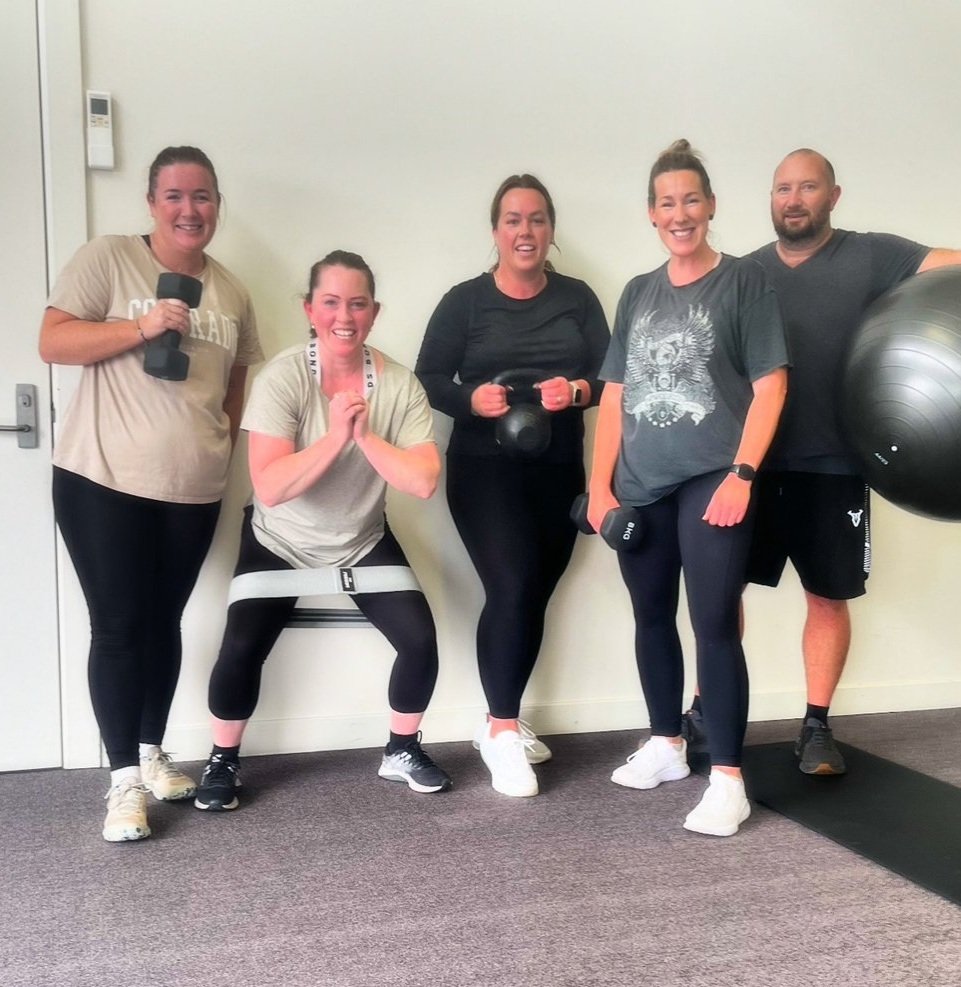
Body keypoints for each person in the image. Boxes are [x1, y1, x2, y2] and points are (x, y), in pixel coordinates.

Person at [683, 148, 961, 776]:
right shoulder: (746, 272)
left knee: (827, 599)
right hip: (750, 468)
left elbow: (950, 263)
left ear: (833, 196)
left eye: (808, 187)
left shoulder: (874, 255)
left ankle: (815, 727)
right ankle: (705, 709)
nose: (794, 199)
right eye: (783, 188)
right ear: (771, 198)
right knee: (719, 595)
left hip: (834, 467)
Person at [38, 146, 263, 842]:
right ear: (151, 203)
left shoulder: (232, 291)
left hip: (191, 488)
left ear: (217, 204)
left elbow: (236, 379)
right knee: (118, 626)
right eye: (174, 196)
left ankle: (150, 751)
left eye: (202, 196)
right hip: (100, 478)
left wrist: (219, 440)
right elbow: (53, 342)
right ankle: (122, 783)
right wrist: (141, 326)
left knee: (165, 621)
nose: (189, 209)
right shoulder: (109, 258)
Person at [194, 250, 451, 811]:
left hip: (361, 538)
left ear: (374, 312)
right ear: (310, 309)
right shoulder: (282, 376)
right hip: (279, 540)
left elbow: (424, 481)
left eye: (357, 304)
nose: (344, 316)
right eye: (331, 302)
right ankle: (222, 759)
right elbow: (270, 486)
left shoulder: (400, 384)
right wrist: (336, 435)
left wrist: (364, 435)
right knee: (240, 645)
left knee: (420, 640)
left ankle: (401, 749)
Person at [589, 140, 788, 836]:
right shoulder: (636, 292)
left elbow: (770, 386)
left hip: (713, 479)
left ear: (710, 206)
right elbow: (613, 396)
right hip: (640, 485)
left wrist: (742, 474)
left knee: (712, 624)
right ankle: (666, 744)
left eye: (691, 200)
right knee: (650, 617)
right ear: (651, 213)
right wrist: (598, 489)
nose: (680, 214)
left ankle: (728, 779)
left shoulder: (743, 283)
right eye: (667, 203)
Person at [415, 174, 610, 797]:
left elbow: (611, 378)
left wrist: (576, 391)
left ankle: (503, 717)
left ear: (551, 229)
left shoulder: (578, 298)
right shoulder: (465, 302)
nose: (526, 231)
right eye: (513, 220)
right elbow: (428, 377)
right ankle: (500, 730)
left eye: (537, 219)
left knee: (533, 593)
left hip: (560, 467)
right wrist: (471, 398)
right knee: (514, 583)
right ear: (496, 230)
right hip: (485, 469)